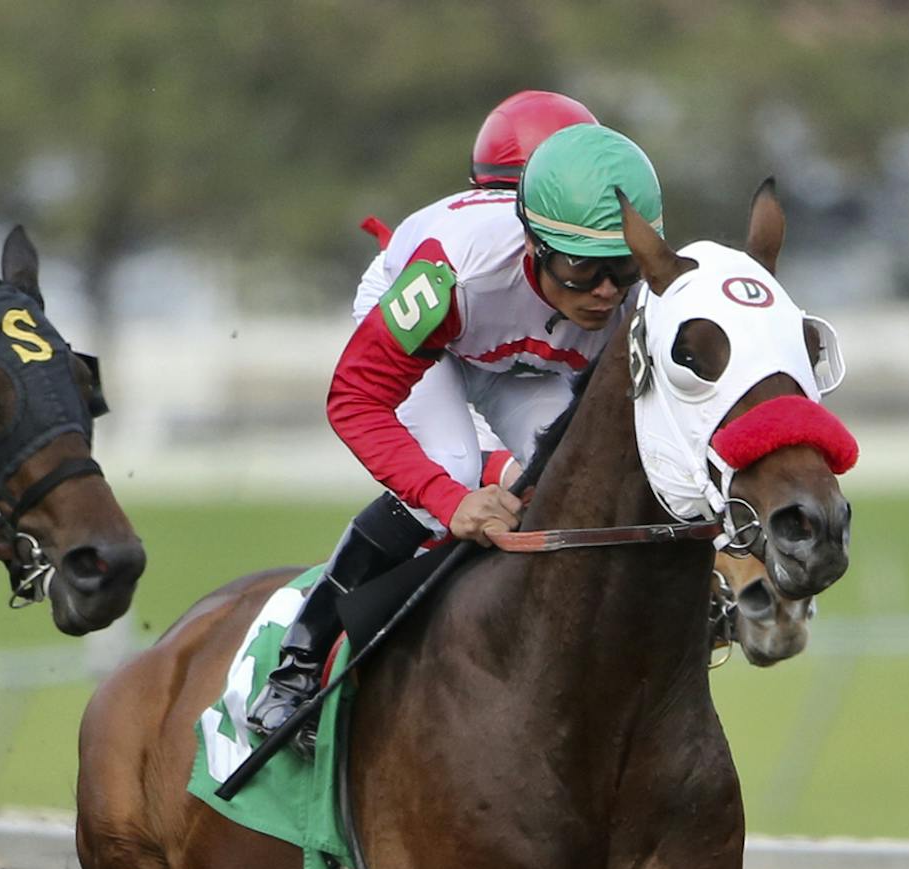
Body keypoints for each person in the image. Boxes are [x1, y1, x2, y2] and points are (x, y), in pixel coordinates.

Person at [245, 121, 663, 746]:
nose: (606, 293)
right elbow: (355, 400)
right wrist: (450, 500)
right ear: (534, 243)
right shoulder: (454, 274)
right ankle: (300, 662)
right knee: (453, 464)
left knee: (580, 476)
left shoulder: (643, 295)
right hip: (439, 332)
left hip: (521, 356)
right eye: (583, 268)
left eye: (624, 267)